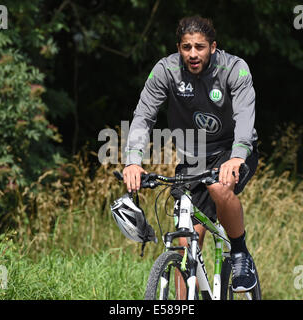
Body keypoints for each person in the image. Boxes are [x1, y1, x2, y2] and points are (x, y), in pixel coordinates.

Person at [122, 16, 259, 293]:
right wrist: (133, 161)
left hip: (232, 150)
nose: (193, 54)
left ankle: (240, 252)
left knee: (221, 188)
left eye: (200, 47)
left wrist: (237, 156)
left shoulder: (234, 69)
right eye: (186, 47)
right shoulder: (166, 70)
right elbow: (144, 115)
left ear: (213, 47)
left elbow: (245, 115)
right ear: (179, 48)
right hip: (193, 156)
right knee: (186, 245)